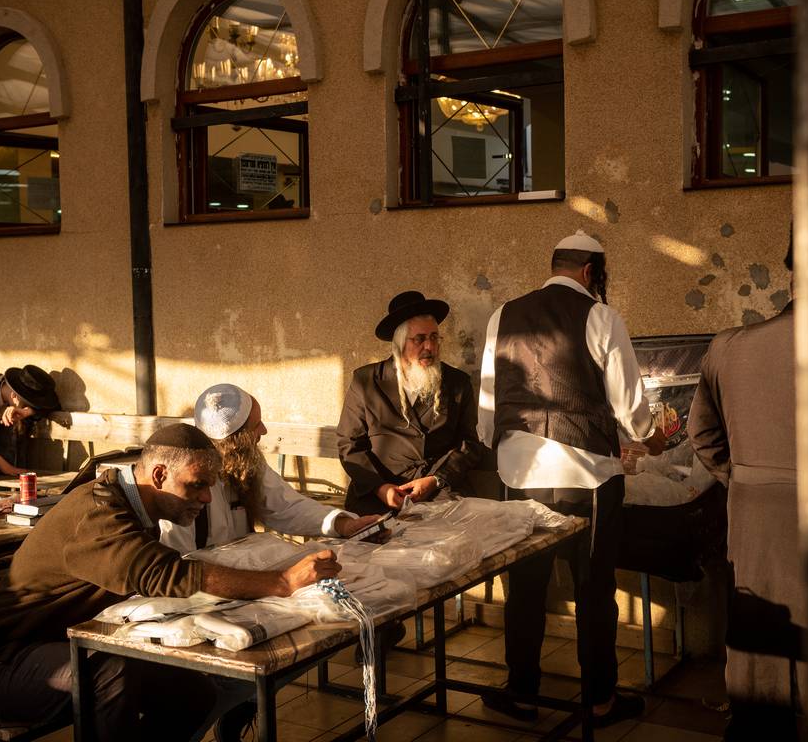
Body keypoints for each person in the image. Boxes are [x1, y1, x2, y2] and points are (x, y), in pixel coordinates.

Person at [0, 423, 341, 741]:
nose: (207, 498)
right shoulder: (96, 513)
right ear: (159, 475)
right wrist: (281, 581)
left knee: (195, 694)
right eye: (196, 485)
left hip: (60, 645)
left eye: (211, 486)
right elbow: (163, 574)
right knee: (110, 671)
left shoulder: (129, 502)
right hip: (3, 664)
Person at [478, 230, 665, 727]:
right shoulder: (601, 317)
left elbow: (487, 410)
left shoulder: (503, 315)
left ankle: (522, 692)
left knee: (525, 586)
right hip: (588, 479)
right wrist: (651, 433)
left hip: (518, 476)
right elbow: (631, 411)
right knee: (593, 589)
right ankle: (600, 700)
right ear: (590, 272)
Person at [688, 233, 803, 741]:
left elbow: (702, 435)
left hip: (756, 522)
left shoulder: (730, 347)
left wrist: (745, 481)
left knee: (761, 649)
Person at [161, 383, 387, 553]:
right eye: (256, 425)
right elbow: (181, 564)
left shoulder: (245, 463)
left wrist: (345, 524)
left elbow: (286, 506)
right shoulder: (181, 486)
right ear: (237, 440)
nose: (264, 431)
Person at [337, 290, 486, 516]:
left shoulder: (457, 383)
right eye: (420, 339)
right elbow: (349, 444)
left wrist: (436, 479)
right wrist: (380, 487)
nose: (430, 346)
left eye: (434, 337)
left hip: (439, 490)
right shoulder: (366, 381)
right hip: (380, 493)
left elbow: (469, 444)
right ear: (399, 343)